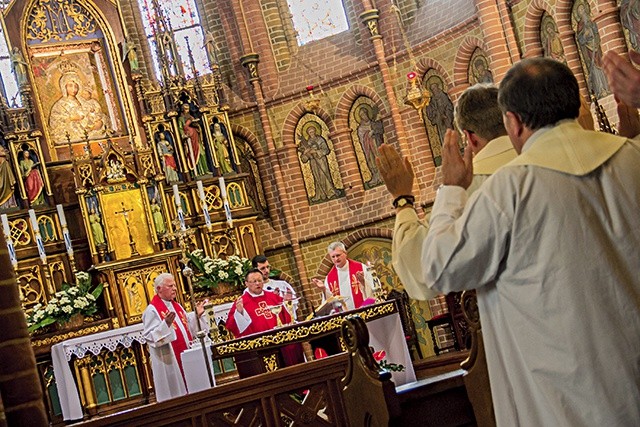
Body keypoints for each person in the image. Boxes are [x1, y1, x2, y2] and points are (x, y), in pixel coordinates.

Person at [377, 57, 640, 425]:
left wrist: (444, 192)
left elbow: (434, 271)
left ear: (512, 122)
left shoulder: (508, 189)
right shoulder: (630, 156)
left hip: (562, 398)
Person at [225, 269, 304, 376]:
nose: (257, 283)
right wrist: (240, 312)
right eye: (253, 281)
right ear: (246, 283)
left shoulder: (273, 296)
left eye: (259, 280)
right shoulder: (241, 302)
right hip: (258, 350)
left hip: (279, 345)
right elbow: (231, 326)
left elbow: (287, 318)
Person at [142, 273, 208, 402]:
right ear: (159, 289)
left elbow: (189, 330)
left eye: (175, 285)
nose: (175, 288)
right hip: (169, 360)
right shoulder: (152, 310)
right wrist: (165, 325)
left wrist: (197, 316)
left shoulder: (176, 306)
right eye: (170, 286)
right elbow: (150, 337)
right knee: (176, 395)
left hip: (186, 357)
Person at [311, 242, 374, 312]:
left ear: (345, 253)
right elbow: (330, 304)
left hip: (364, 313)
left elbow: (373, 291)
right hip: (345, 319)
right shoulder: (329, 278)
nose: (336, 259)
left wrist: (363, 281)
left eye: (338, 255)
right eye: (333, 257)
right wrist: (324, 289)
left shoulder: (361, 268)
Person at [297, 123, 336, 202]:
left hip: (321, 160)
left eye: (313, 131)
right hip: (313, 162)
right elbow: (304, 158)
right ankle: (320, 194)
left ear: (315, 131)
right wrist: (305, 153)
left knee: (324, 174)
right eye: (310, 132)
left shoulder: (320, 139)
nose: (311, 133)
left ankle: (330, 192)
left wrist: (316, 151)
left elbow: (326, 150)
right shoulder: (306, 143)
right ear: (308, 133)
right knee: (316, 176)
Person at [251, 254, 298, 320]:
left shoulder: (283, 285)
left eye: (268, 267)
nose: (266, 270)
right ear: (255, 270)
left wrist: (287, 302)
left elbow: (293, 307)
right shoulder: (252, 291)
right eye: (262, 268)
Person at [178, 103, 209, 176]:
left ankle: (205, 170)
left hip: (196, 137)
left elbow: (196, 126)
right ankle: (196, 172)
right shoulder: (181, 118)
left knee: (202, 152)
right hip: (189, 138)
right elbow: (180, 128)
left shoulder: (191, 117)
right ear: (182, 110)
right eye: (185, 109)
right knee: (192, 154)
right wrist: (183, 135)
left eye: (188, 108)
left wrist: (196, 125)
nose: (187, 110)